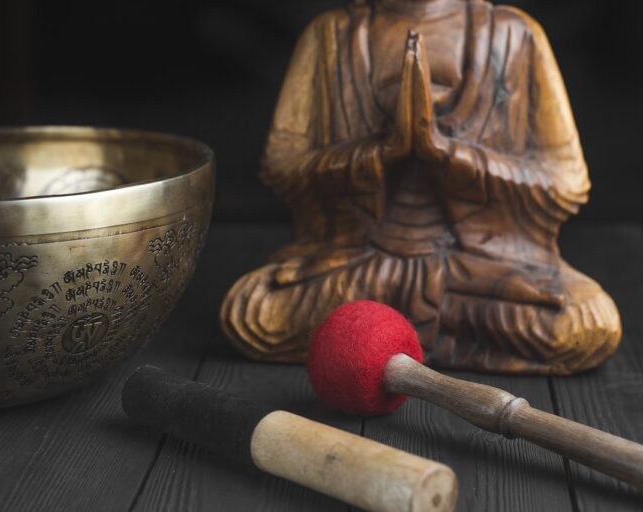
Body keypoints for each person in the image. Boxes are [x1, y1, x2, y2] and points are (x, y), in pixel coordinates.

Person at [221, 0, 621, 374]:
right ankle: (418, 339)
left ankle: (371, 339)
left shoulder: (515, 34)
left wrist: (448, 155)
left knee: (587, 321)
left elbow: (567, 182)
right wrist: (380, 153)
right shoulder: (331, 35)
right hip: (360, 261)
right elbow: (282, 167)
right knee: (252, 312)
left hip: (479, 268)